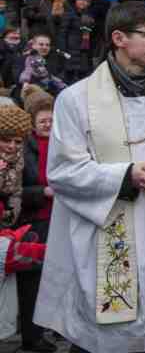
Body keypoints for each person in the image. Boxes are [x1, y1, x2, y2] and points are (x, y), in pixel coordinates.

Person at [34, 1, 145, 353]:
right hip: (106, 237)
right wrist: (127, 175)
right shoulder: (75, 99)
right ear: (119, 38)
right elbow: (63, 171)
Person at [16, 86, 55, 353]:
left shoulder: (63, 143)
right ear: (32, 122)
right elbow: (15, 190)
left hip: (61, 219)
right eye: (43, 121)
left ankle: (56, 327)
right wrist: (43, 192)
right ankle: (32, 336)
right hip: (34, 221)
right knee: (32, 282)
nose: (48, 125)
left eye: (51, 120)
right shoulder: (21, 148)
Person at [57, 0, 97, 84]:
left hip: (84, 51)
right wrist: (62, 50)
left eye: (86, 1)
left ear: (89, 3)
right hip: (70, 49)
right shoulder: (69, 14)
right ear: (76, 1)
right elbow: (62, 33)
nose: (83, 2)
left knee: (83, 76)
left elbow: (92, 35)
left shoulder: (90, 16)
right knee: (68, 76)